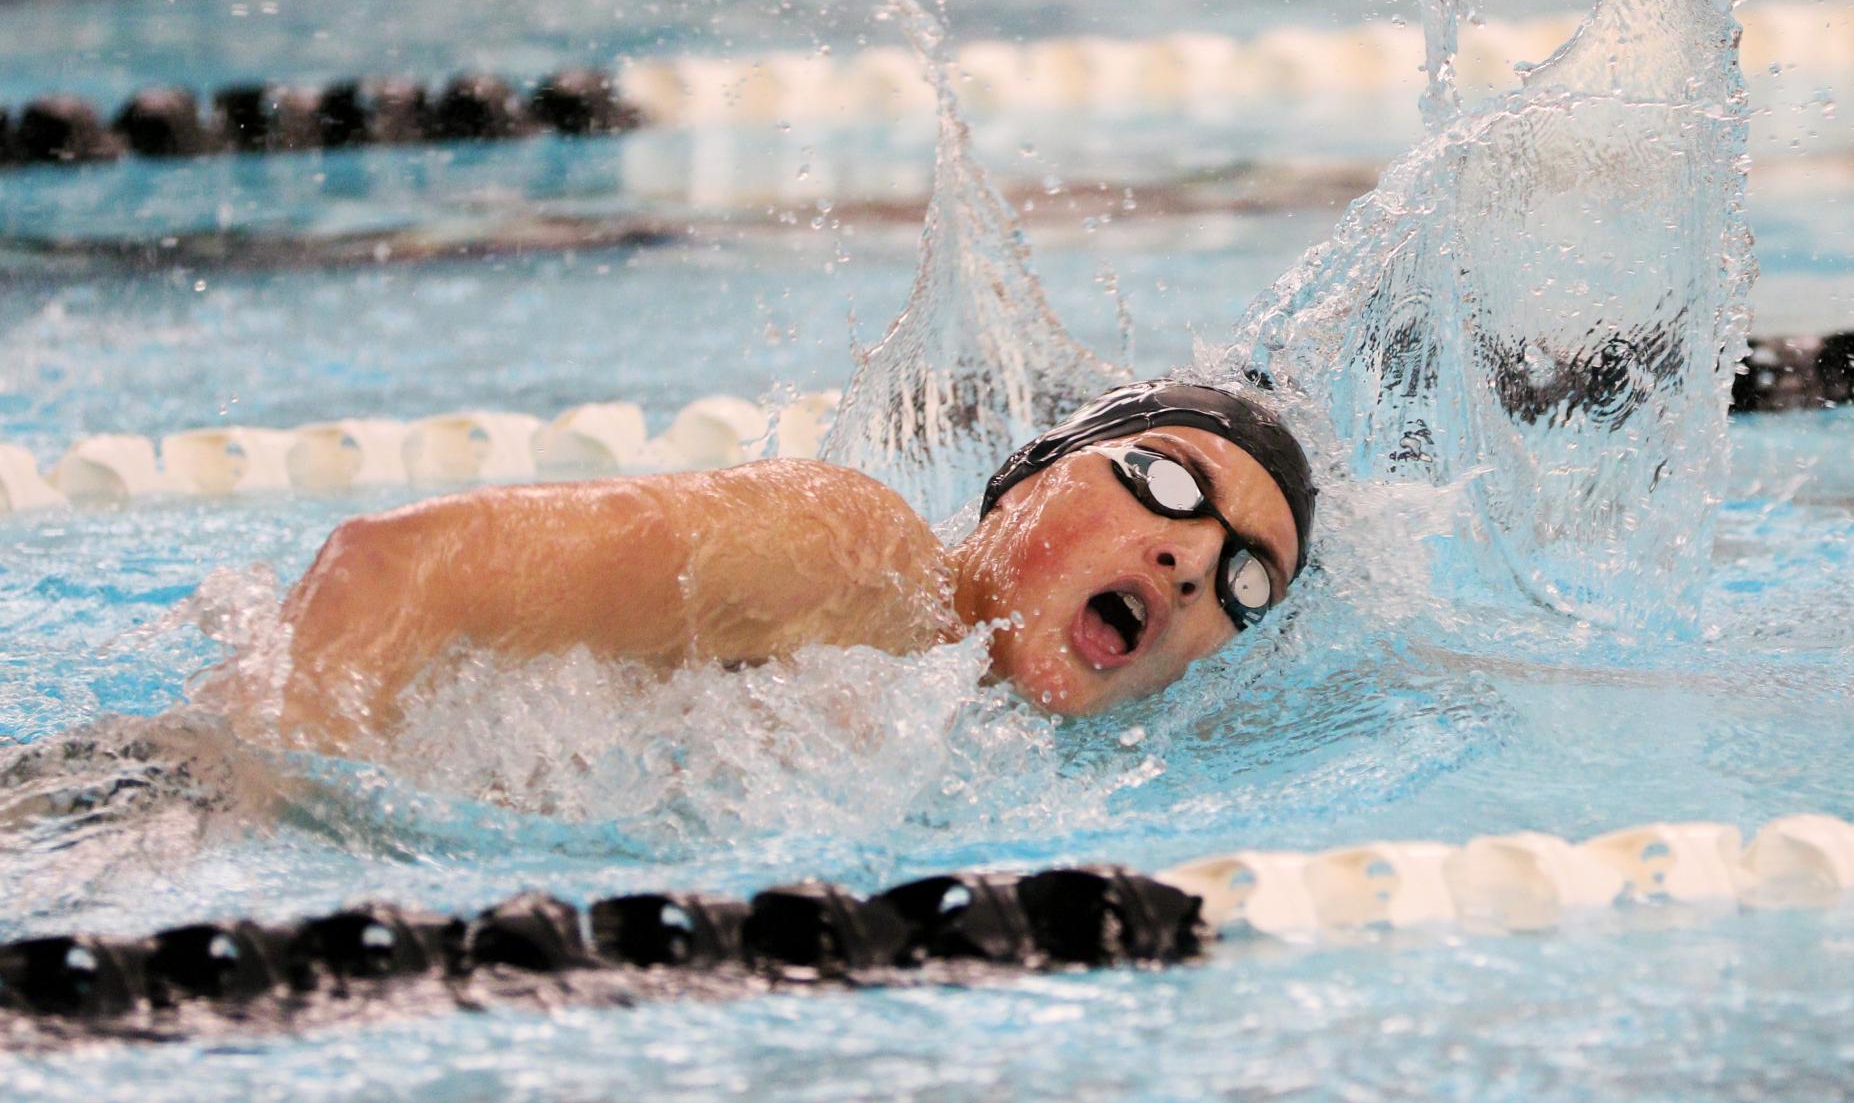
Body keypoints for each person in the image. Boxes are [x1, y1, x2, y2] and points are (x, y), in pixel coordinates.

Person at [274, 380, 1317, 751]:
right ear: (1024, 478)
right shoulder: (851, 555)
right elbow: (396, 562)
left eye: (1246, 582)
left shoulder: (966, 723)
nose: (1193, 564)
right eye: (1168, 484)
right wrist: (274, 782)